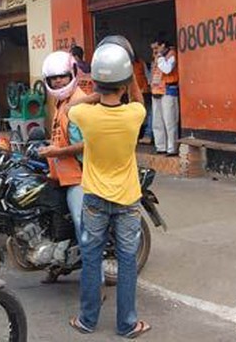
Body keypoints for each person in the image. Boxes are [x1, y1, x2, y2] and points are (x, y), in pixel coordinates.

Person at [67, 37, 151, 338]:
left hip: (94, 200)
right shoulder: (134, 115)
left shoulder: (85, 115)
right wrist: (131, 81)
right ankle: (127, 325)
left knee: (91, 260)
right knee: (127, 263)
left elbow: (72, 106)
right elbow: (140, 102)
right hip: (128, 201)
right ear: (125, 82)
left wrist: (93, 95)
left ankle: (87, 320)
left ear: (96, 83)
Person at [38, 51, 87, 283]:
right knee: (50, 213)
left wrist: (56, 152)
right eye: (53, 78)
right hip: (61, 175)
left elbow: (87, 145)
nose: (58, 81)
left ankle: (93, 280)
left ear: (72, 75)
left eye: (63, 77)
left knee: (81, 224)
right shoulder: (61, 102)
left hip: (80, 176)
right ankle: (57, 261)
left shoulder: (78, 104)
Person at [150, 39, 180, 156]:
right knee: (157, 121)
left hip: (168, 90)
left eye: (156, 48)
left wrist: (160, 57)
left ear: (163, 45)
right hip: (156, 90)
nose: (154, 51)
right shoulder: (157, 56)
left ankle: (172, 148)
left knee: (170, 120)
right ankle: (160, 146)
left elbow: (167, 69)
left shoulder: (171, 55)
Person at [133, 53, 153, 144]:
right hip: (137, 91)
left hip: (142, 91)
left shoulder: (139, 63)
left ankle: (146, 135)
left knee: (146, 112)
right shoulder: (139, 63)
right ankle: (141, 135)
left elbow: (147, 76)